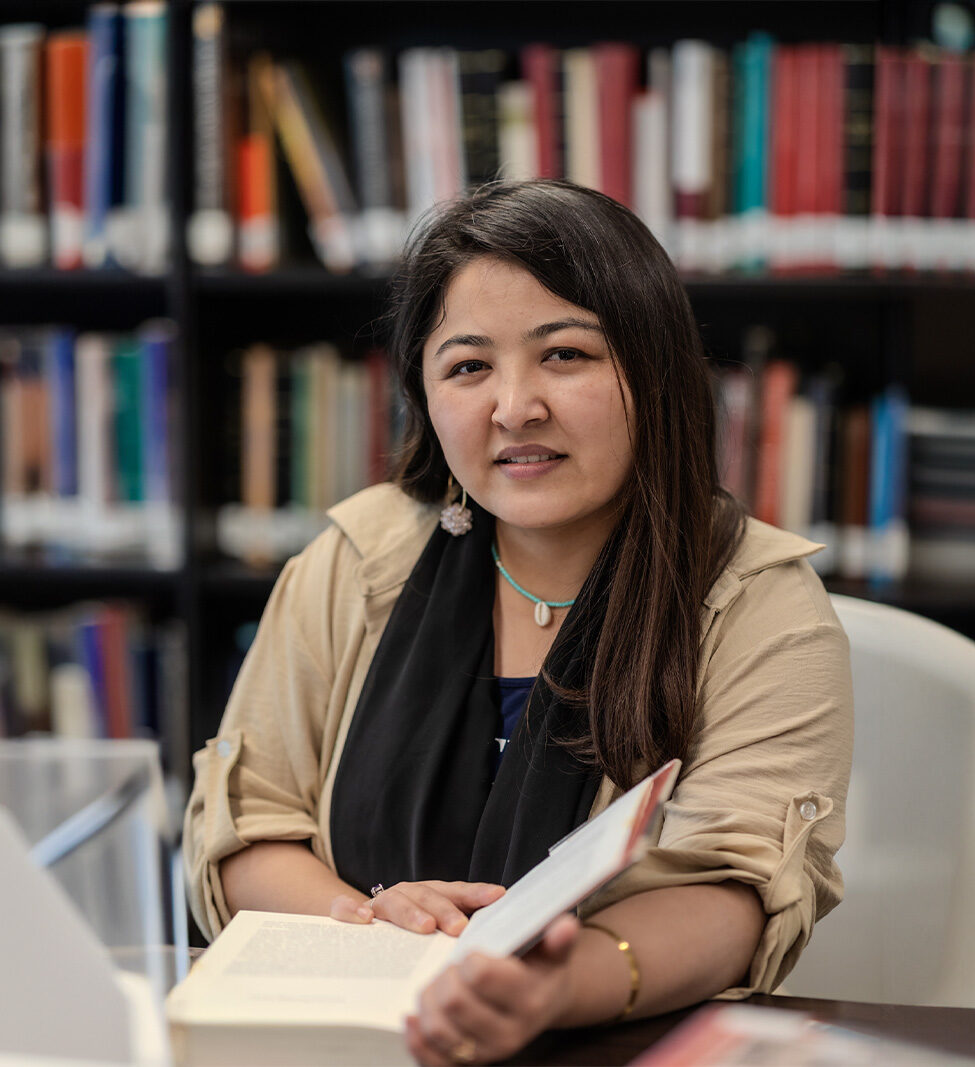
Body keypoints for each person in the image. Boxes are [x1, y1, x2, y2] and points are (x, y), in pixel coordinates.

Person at [184, 180, 852, 1066]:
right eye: (468, 366)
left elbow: (736, 892)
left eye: (565, 355)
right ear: (425, 393)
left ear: (653, 371)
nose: (514, 407)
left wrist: (548, 989)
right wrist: (368, 926)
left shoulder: (759, 603)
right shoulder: (358, 560)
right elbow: (245, 823)